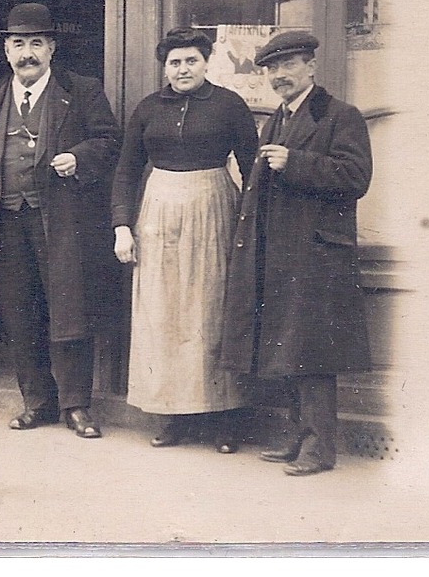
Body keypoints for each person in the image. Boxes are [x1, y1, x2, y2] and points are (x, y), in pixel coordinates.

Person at [0, 3, 122, 439]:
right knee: (20, 314)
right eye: (17, 44)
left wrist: (79, 157)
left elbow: (109, 141)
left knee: (68, 310)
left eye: (35, 43)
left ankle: (76, 405)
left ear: (51, 48)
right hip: (6, 221)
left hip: (61, 222)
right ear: (5, 50)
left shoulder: (81, 90)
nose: (26, 53)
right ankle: (37, 401)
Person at [219, 30, 373, 477]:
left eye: (288, 66)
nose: (278, 76)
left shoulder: (340, 116)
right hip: (280, 252)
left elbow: (356, 177)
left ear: (311, 67)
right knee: (286, 349)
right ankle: (297, 436)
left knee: (312, 354)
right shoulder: (279, 118)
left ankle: (320, 448)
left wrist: (297, 162)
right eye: (270, 69)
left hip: (316, 254)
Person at [111, 27, 258, 451]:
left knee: (209, 309)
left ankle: (224, 420)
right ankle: (171, 415)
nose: (182, 69)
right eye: (174, 62)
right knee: (163, 312)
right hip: (157, 211)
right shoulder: (148, 108)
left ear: (206, 62)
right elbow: (125, 169)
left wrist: (250, 227)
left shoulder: (229, 105)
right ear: (165, 67)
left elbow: (252, 170)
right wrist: (123, 224)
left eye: (190, 60)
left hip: (213, 207)